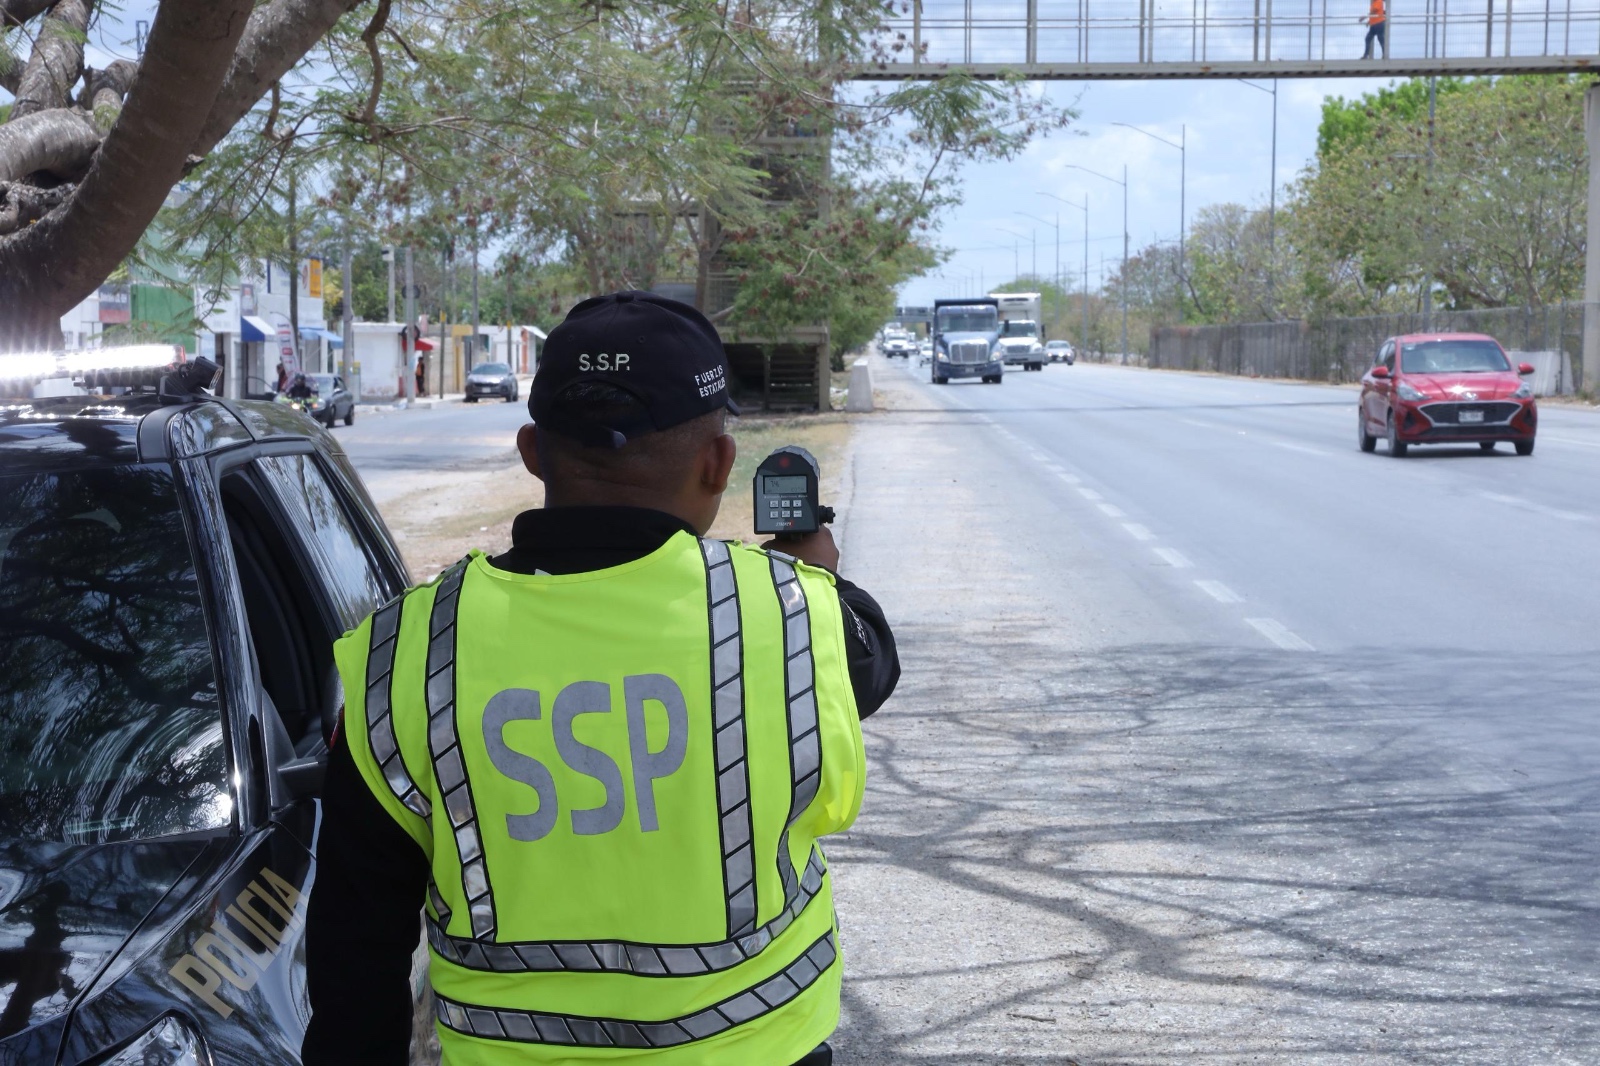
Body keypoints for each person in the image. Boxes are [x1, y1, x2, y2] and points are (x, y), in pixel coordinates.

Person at [303, 291, 898, 1066]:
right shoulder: (796, 617)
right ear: (719, 464)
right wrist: (816, 580)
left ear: (531, 453)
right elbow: (870, 661)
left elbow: (357, 954)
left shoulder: (404, 654)